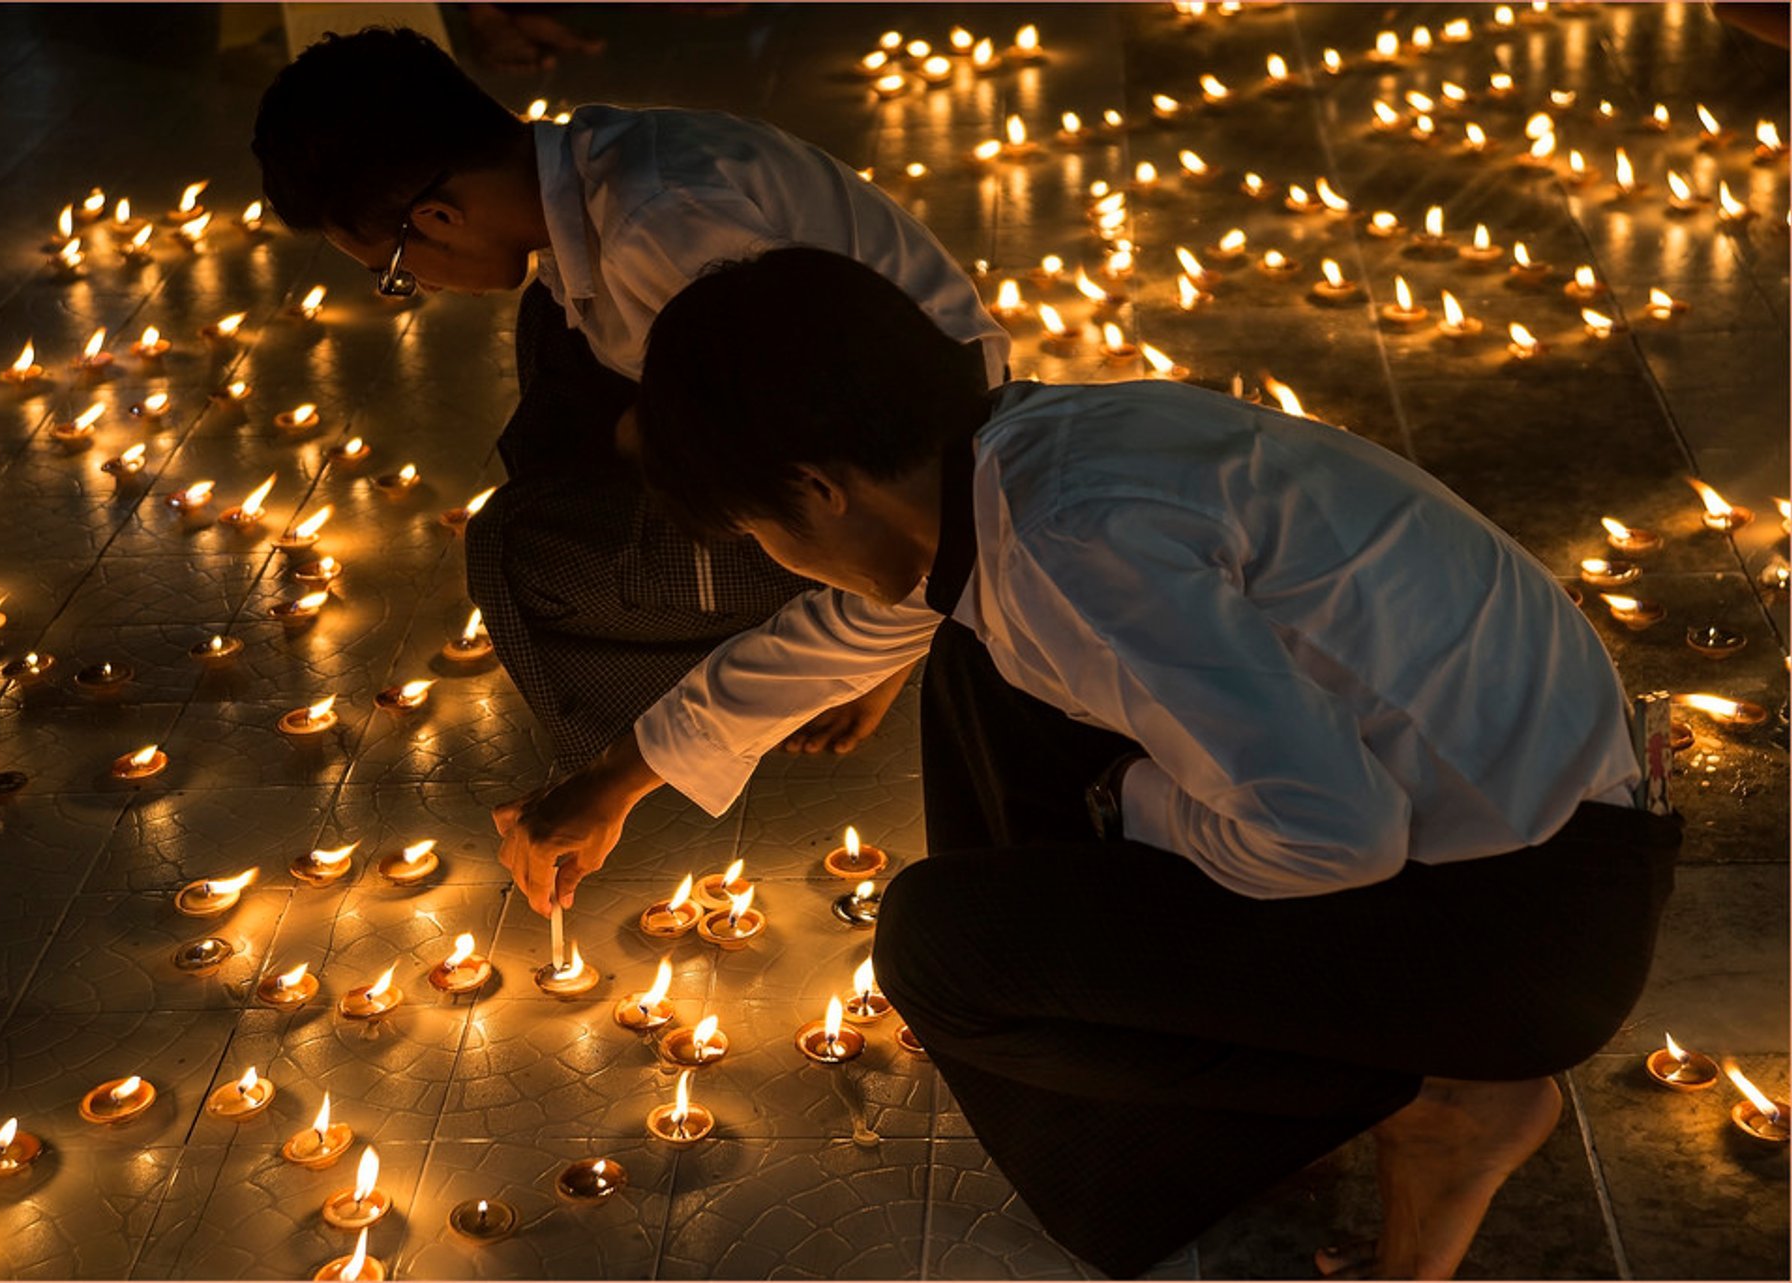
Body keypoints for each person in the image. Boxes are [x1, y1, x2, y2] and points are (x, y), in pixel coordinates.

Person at [493, 248, 1682, 1279]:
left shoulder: (1068, 548)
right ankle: (1185, 1017)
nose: (778, 557)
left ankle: (1435, 1096)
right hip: (1535, 820)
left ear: (817, 487)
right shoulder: (1017, 455)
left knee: (942, 945)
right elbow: (861, 625)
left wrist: (1134, 802)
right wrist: (624, 772)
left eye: (761, 528)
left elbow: (1333, 834)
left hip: (1518, 925)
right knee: (969, 662)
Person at [250, 27, 1009, 769]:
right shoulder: (598, 160)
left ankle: (807, 663)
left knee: (522, 556)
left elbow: (857, 481)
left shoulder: (666, 231)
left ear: (440, 218)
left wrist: (884, 639)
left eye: (394, 270)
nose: (416, 288)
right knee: (555, 343)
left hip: (918, 471)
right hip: (869, 407)